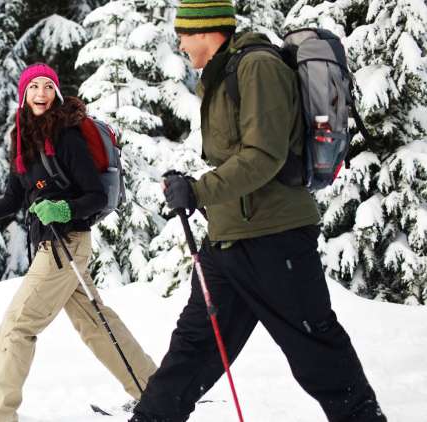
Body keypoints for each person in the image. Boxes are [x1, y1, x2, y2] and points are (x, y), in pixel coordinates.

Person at [129, 1, 387, 421]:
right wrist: (194, 185)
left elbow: (263, 156)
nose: (178, 42)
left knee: (317, 351)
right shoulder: (219, 77)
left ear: (208, 31)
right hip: (229, 241)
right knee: (194, 347)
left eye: (184, 33)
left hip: (276, 238)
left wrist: (198, 190)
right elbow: (236, 157)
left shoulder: (257, 68)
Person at [0, 63, 157, 422]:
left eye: (47, 87)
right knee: (96, 321)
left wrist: (62, 209)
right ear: (24, 95)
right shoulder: (22, 138)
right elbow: (13, 199)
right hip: (54, 248)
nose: (41, 93)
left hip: (67, 244)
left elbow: (94, 196)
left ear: (55, 93)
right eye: (34, 87)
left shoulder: (67, 135)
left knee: (18, 325)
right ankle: (155, 391)